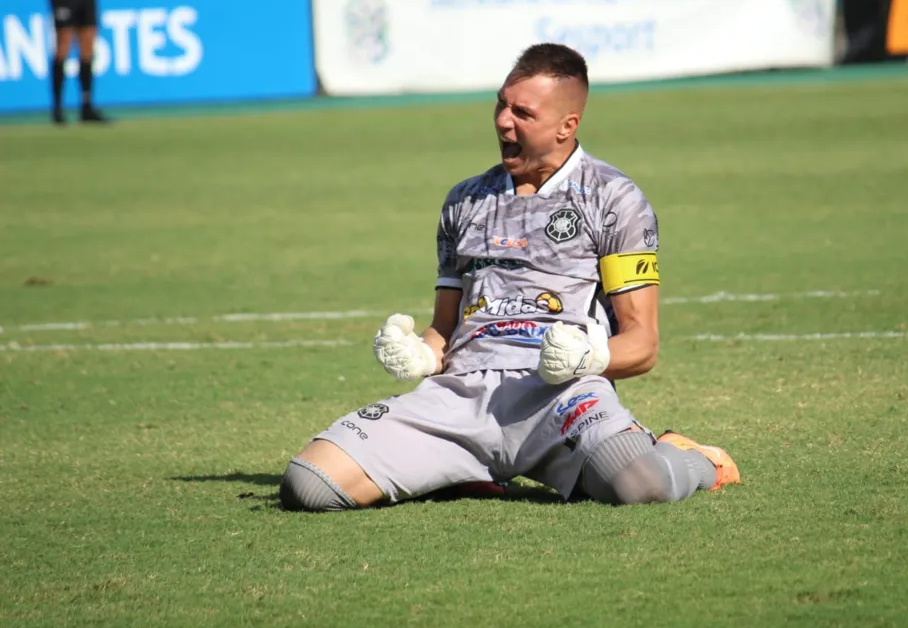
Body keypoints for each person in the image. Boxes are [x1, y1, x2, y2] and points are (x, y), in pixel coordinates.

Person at [279, 43, 741, 511]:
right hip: (461, 396)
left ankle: (694, 457)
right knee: (310, 483)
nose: (503, 120)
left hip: (561, 396)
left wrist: (587, 358)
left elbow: (642, 345)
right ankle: (457, 468)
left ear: (567, 126)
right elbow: (446, 327)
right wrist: (422, 352)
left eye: (523, 112)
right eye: (501, 103)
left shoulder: (614, 200)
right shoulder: (465, 200)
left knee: (643, 486)